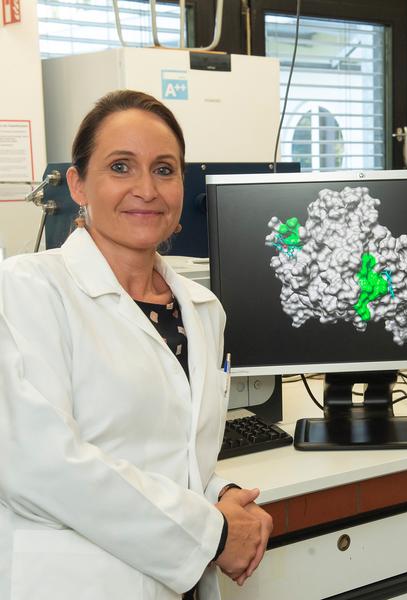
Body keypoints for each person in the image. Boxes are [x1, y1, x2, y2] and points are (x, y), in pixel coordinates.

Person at [0, 90, 272, 600]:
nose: (146, 189)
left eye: (165, 170)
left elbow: (166, 453)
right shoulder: (24, 290)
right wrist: (212, 532)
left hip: (179, 584)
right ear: (78, 185)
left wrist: (221, 494)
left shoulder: (200, 308)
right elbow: (39, 467)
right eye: (121, 166)